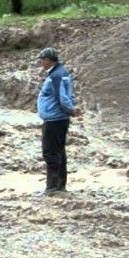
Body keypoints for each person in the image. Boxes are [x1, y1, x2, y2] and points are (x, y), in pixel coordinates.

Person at [36, 47, 82, 195]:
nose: (41, 63)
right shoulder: (60, 73)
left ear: (48, 60)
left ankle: (53, 187)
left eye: (42, 60)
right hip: (57, 119)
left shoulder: (56, 76)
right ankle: (59, 186)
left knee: (51, 152)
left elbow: (62, 97)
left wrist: (70, 110)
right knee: (59, 151)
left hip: (55, 119)